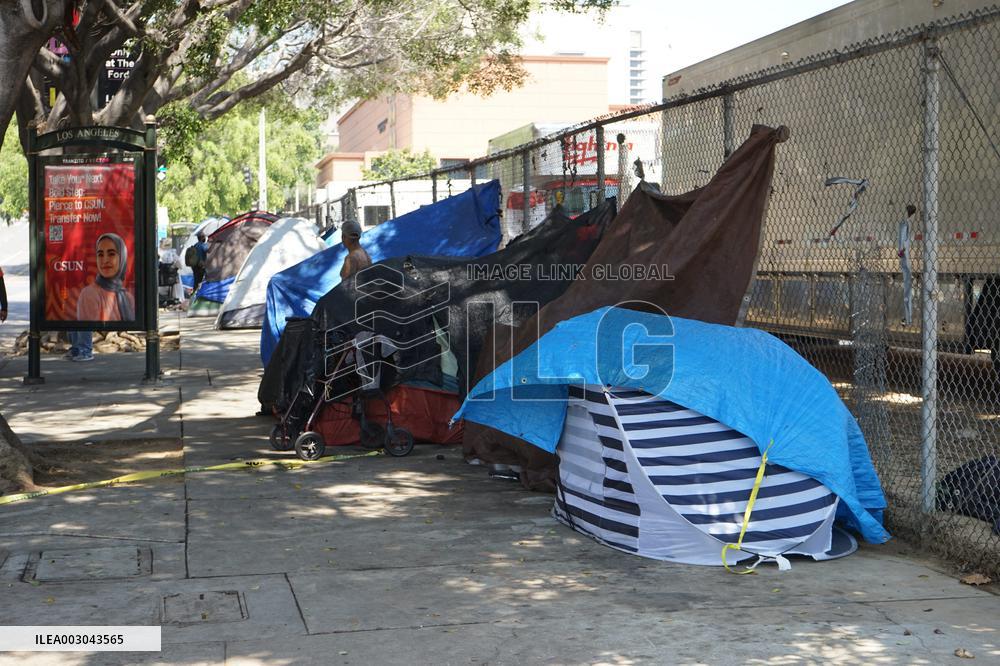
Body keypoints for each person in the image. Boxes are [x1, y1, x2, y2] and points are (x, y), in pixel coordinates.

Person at [77, 232, 136, 322]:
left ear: (122, 257)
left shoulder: (128, 298)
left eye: (111, 254)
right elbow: (91, 334)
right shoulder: (90, 294)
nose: (105, 260)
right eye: (100, 255)